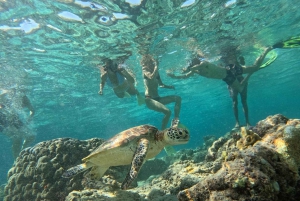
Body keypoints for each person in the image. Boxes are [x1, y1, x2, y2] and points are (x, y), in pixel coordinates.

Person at [167, 47, 274, 129]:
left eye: (193, 61)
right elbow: (184, 76)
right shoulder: (195, 70)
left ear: (196, 60)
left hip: (230, 71)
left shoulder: (203, 64)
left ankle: (266, 50)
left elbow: (194, 66)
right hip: (226, 78)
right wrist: (174, 76)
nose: (192, 63)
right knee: (241, 89)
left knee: (254, 68)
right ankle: (250, 74)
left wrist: (186, 68)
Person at [141, 54, 182, 130]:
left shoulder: (155, 72)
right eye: (152, 63)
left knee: (178, 98)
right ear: (147, 63)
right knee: (168, 112)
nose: (153, 64)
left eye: (153, 63)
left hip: (158, 98)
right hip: (150, 100)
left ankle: (175, 120)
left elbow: (161, 85)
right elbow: (151, 77)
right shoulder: (145, 70)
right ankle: (162, 131)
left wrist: (169, 87)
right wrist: (156, 66)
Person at [0, 90, 35, 159]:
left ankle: (22, 153)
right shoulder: (6, 94)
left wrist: (29, 119)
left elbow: (32, 111)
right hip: (2, 118)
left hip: (14, 118)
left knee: (31, 136)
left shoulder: (25, 99)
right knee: (17, 137)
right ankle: (16, 160)